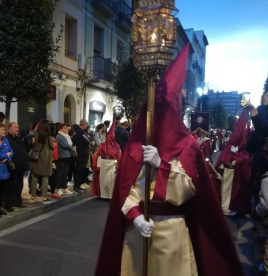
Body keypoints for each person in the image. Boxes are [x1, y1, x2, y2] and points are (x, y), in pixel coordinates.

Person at [95, 45, 243, 276]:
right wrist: (135, 218)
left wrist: (161, 165)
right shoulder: (136, 145)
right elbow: (126, 190)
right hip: (139, 233)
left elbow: (188, 189)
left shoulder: (188, 145)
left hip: (172, 231)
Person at [215, 111, 251, 216]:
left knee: (235, 191)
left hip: (236, 175)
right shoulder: (229, 146)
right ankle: (224, 207)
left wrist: (238, 158)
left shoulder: (244, 149)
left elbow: (245, 163)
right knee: (224, 191)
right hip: (227, 173)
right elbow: (222, 159)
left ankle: (234, 207)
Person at [92, 119, 121, 199]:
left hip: (112, 164)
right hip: (104, 164)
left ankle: (111, 196)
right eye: (107, 138)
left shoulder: (116, 146)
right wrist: (98, 165)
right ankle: (104, 195)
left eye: (110, 138)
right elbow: (98, 155)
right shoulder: (102, 145)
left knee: (111, 180)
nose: (108, 139)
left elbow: (118, 156)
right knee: (103, 180)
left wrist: (118, 165)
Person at [29, 121, 54, 204]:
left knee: (34, 176)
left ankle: (32, 196)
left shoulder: (34, 134)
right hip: (45, 158)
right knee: (45, 177)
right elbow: (52, 146)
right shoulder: (47, 136)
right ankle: (44, 196)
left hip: (36, 157)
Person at [6, 122, 30, 209]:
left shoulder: (18, 139)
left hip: (21, 167)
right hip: (13, 167)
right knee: (12, 186)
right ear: (10, 128)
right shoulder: (7, 139)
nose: (18, 129)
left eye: (18, 127)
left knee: (19, 185)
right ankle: (10, 203)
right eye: (15, 127)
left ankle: (18, 201)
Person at [55, 124, 74, 196]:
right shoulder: (59, 136)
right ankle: (59, 188)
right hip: (62, 156)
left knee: (65, 173)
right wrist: (71, 148)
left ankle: (64, 187)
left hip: (68, 156)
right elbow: (65, 145)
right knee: (60, 173)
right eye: (64, 128)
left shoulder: (67, 136)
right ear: (60, 129)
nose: (66, 129)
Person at [72, 119, 90, 193]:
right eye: (86, 124)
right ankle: (76, 186)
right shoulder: (80, 132)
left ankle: (79, 185)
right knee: (79, 170)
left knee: (81, 170)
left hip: (83, 153)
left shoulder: (82, 132)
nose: (87, 126)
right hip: (81, 154)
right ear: (83, 124)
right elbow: (87, 141)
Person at [49, 122, 60, 199]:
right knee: (52, 175)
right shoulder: (49, 137)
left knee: (54, 174)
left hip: (55, 158)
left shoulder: (53, 137)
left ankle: (53, 190)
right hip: (51, 158)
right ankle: (52, 191)